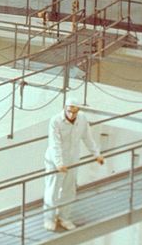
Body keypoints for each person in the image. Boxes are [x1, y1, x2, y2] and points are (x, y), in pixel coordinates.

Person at [43, 97, 105, 231]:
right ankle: (49, 218)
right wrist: (59, 163)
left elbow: (87, 137)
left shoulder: (82, 119)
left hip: (72, 160)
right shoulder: (55, 121)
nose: (71, 114)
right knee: (52, 190)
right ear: (65, 108)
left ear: (78, 111)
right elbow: (55, 144)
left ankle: (64, 217)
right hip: (55, 161)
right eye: (69, 111)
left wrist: (96, 154)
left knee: (69, 189)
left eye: (74, 112)